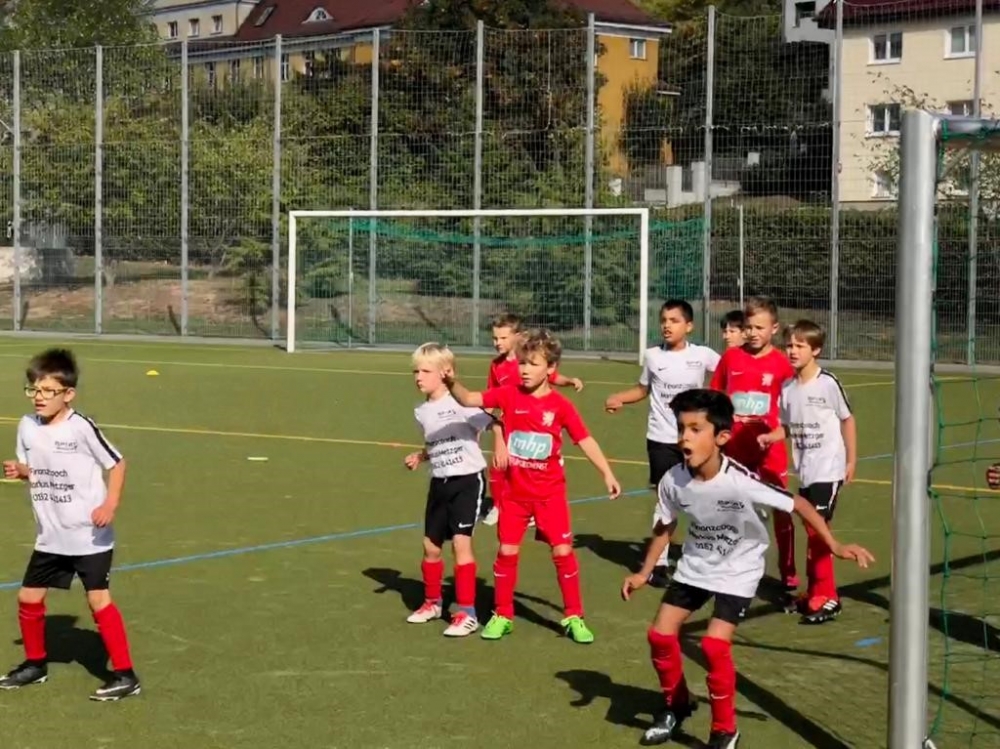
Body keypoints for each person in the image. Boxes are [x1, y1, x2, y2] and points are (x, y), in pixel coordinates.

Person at [621, 388, 874, 748]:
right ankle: (676, 706)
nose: (684, 438)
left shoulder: (740, 481)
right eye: (681, 428)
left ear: (722, 437)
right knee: (660, 635)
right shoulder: (672, 480)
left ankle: (724, 730)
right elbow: (665, 527)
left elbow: (799, 504)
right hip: (697, 564)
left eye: (695, 429)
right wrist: (644, 572)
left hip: (738, 570)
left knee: (713, 645)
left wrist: (834, 545)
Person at [444, 329, 621, 643]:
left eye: (533, 364)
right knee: (506, 551)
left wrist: (607, 473)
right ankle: (503, 614)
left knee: (563, 551)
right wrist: (450, 383)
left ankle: (574, 616)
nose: (524, 369)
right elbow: (470, 399)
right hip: (514, 496)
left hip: (550, 495)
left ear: (551, 369)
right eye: (523, 363)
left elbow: (585, 440)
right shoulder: (508, 394)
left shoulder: (561, 406)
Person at [0, 348, 140, 701]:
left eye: (49, 391)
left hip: (88, 536)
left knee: (97, 600)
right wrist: (22, 471)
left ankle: (126, 675)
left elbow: (117, 463)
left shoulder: (81, 427)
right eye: (34, 389)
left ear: (68, 394)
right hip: (51, 535)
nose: (39, 397)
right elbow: (38, 470)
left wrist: (110, 504)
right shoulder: (27, 426)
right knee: (29, 597)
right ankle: (35, 665)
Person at [605, 299, 719, 587]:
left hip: (696, 441)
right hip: (661, 440)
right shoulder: (653, 356)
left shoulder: (703, 355)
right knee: (665, 501)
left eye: (674, 320)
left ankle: (706, 558)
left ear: (689, 326)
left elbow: (730, 372)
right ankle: (659, 564)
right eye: (664, 320)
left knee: (703, 498)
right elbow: (642, 389)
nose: (667, 325)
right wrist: (619, 398)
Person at [758, 320, 857, 622]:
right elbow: (789, 427)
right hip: (806, 470)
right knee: (813, 530)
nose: (793, 350)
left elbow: (847, 419)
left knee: (818, 532)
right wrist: (771, 436)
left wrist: (851, 461)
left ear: (815, 350)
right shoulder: (788, 388)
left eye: (800, 346)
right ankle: (816, 592)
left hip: (829, 468)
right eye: (789, 345)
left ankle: (828, 598)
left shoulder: (827, 383)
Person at [709, 296, 797, 603]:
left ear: (774, 328)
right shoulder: (731, 358)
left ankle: (788, 573)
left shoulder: (783, 365)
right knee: (731, 508)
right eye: (748, 327)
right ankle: (730, 566)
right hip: (735, 449)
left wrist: (778, 433)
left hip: (770, 451)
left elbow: (792, 406)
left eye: (760, 327)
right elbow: (716, 396)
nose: (753, 333)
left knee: (782, 509)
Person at [403, 343, 494, 637]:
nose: (418, 377)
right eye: (416, 371)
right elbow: (437, 442)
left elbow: (494, 423)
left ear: (445, 373)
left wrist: (503, 449)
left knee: (460, 545)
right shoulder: (421, 411)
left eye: (425, 371)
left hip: (467, 480)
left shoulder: (461, 403)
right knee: (430, 547)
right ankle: (432, 603)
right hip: (439, 482)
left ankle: (467, 612)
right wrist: (421, 456)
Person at [483, 313, 583, 526]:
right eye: (495, 338)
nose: (498, 343)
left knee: (532, 465)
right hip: (508, 424)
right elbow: (491, 394)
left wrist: (569, 380)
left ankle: (535, 507)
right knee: (499, 466)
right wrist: (480, 419)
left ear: (518, 336)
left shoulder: (529, 361)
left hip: (532, 422)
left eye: (503, 338)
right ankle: (499, 506)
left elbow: (553, 376)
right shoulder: (496, 366)